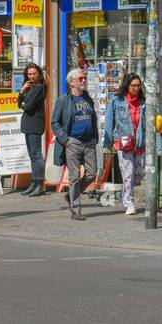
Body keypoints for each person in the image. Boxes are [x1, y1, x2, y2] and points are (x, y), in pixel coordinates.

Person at [51, 68, 98, 220]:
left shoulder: (87, 98)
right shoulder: (63, 100)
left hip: (89, 141)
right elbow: (55, 122)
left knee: (92, 173)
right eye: (80, 79)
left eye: (84, 78)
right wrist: (65, 140)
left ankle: (70, 196)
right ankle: (76, 209)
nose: (84, 80)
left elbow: (93, 118)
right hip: (73, 142)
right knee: (74, 177)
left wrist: (95, 137)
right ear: (71, 82)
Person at [103, 72, 147, 215]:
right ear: (127, 86)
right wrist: (108, 141)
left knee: (140, 172)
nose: (136, 88)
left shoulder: (144, 103)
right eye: (133, 86)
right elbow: (109, 122)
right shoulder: (117, 101)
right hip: (124, 142)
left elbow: (149, 124)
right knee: (128, 173)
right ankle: (129, 203)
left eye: (138, 86)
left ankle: (128, 191)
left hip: (140, 142)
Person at [17, 63, 48, 197]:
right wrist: (22, 91)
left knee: (37, 155)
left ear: (39, 74)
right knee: (32, 156)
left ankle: (39, 183)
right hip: (28, 124)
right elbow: (20, 103)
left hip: (35, 123)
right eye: (29, 74)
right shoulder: (30, 88)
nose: (32, 76)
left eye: (34, 74)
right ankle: (34, 182)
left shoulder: (39, 87)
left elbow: (28, 107)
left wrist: (24, 103)